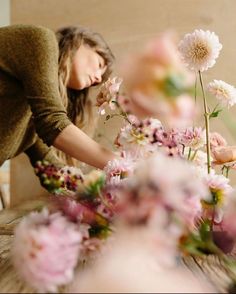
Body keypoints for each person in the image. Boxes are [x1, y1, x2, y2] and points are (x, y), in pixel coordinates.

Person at [0, 24, 117, 178]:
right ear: (82, 42)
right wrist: (121, 164)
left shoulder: (34, 105)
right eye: (99, 65)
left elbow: (49, 167)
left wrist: (92, 192)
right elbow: (52, 122)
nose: (98, 78)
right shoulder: (41, 40)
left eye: (99, 80)